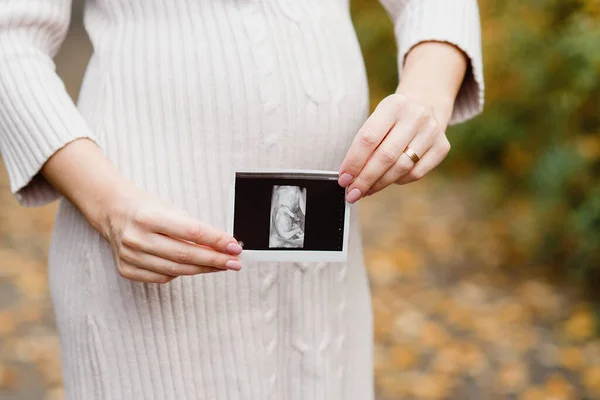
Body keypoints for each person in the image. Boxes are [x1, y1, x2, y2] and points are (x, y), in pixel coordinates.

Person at [0, 0, 483, 399]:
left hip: (324, 272)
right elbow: (9, 39)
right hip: (147, 255)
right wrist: (109, 205)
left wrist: (427, 94)